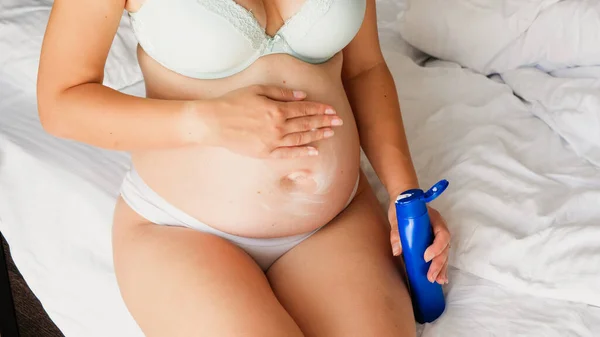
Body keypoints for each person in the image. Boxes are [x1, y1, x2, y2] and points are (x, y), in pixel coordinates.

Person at [37, 0, 451, 336]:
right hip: (180, 231)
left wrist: (405, 194)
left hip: (333, 222)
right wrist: (207, 121)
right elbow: (61, 103)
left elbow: (365, 68)